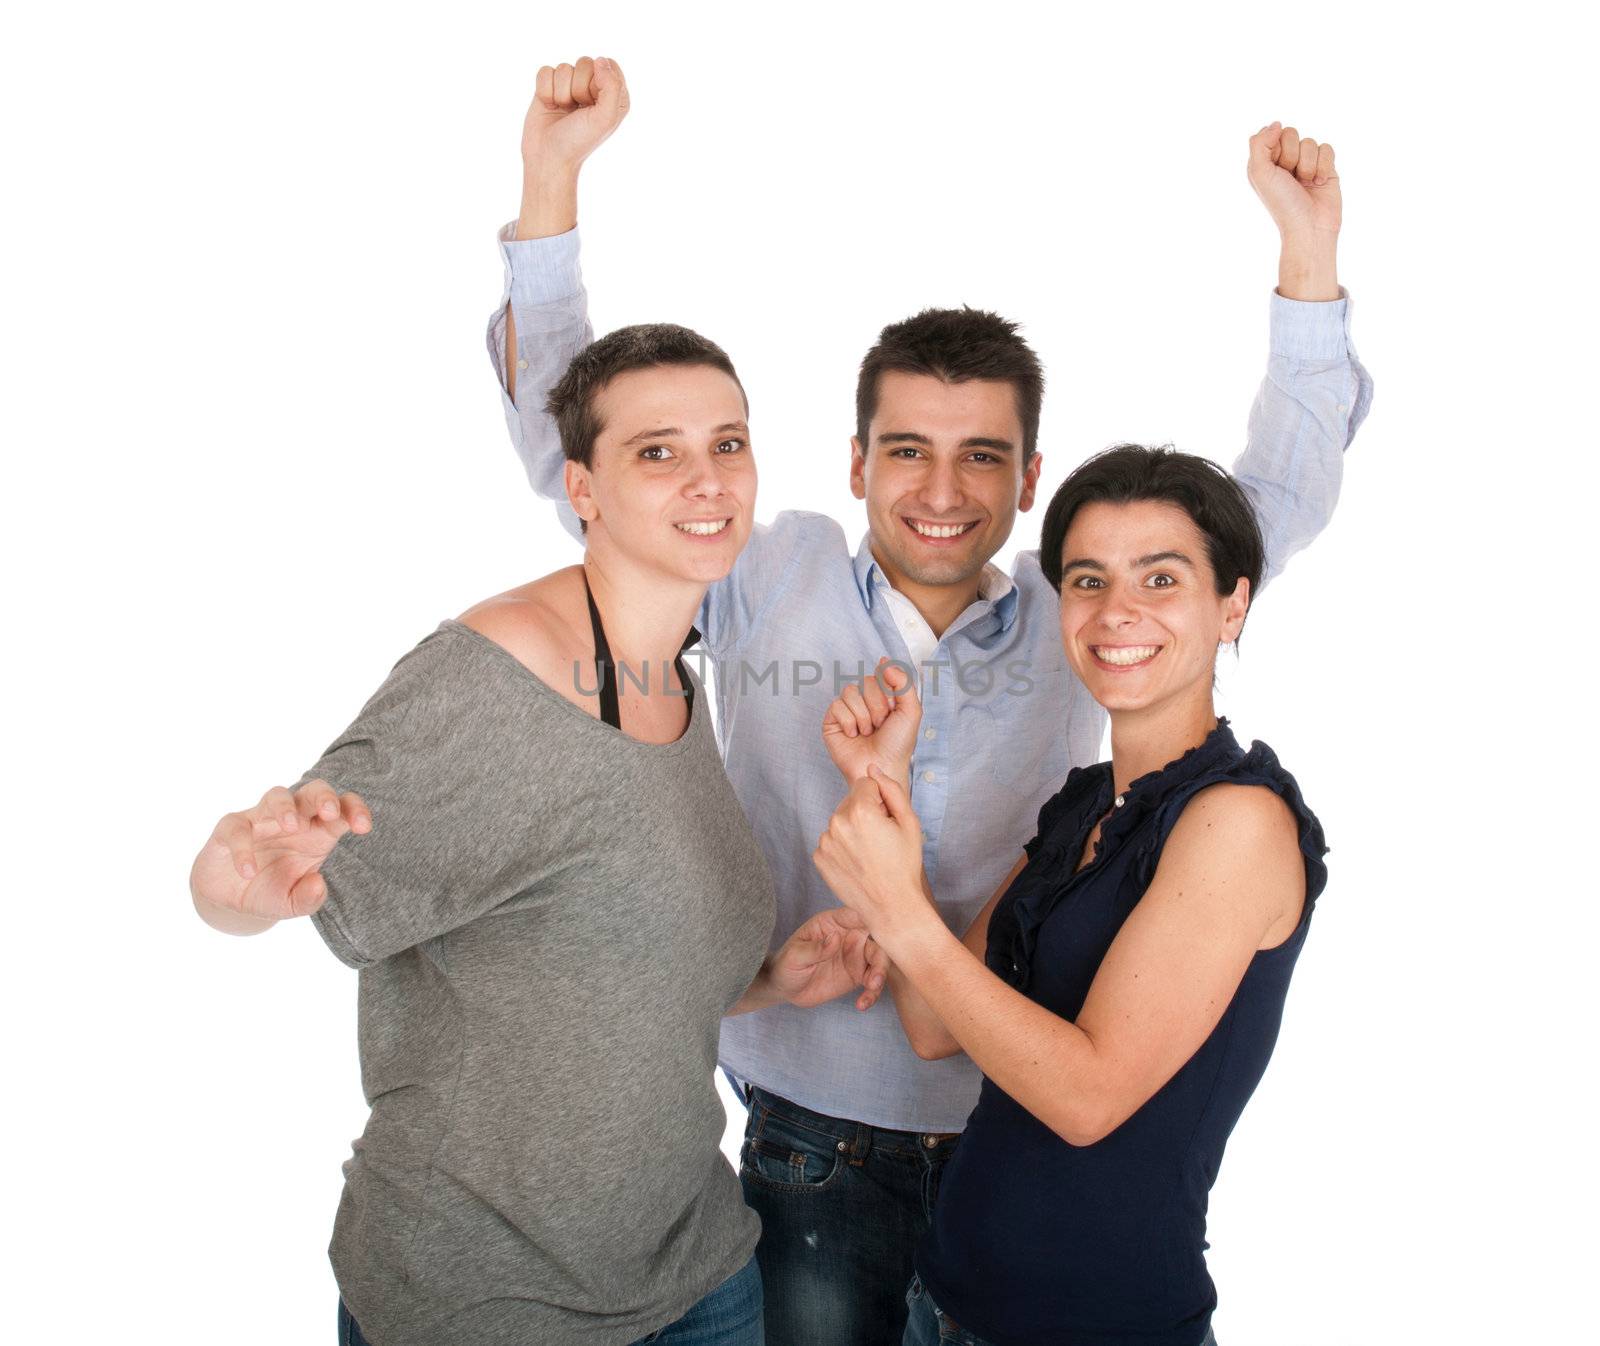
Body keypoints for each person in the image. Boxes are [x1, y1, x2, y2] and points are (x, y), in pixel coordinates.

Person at [493, 54, 1370, 1345]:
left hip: (1016, 1143)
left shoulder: (1086, 615)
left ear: (1029, 480)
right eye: (907, 448)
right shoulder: (764, 571)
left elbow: (1262, 511)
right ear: (856, 462)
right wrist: (550, 188)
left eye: (982, 457)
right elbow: (591, 462)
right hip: (807, 1141)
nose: (940, 487)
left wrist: (1308, 268)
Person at [189, 324, 890, 1346]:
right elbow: (287, 880)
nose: (706, 478)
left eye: (727, 443)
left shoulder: (677, 679)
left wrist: (770, 979)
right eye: (657, 451)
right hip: (488, 1299)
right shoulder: (496, 672)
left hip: (695, 1270)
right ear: (582, 488)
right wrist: (228, 889)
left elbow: (591, 959)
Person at [812, 444, 1330, 1346]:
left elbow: (1088, 1099)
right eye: (1088, 581)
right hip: (945, 1308)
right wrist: (881, 783)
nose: (1116, 612)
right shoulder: (1086, 803)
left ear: (1232, 604)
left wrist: (897, 908)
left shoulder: (1237, 821)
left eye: (1160, 578)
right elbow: (933, 1026)